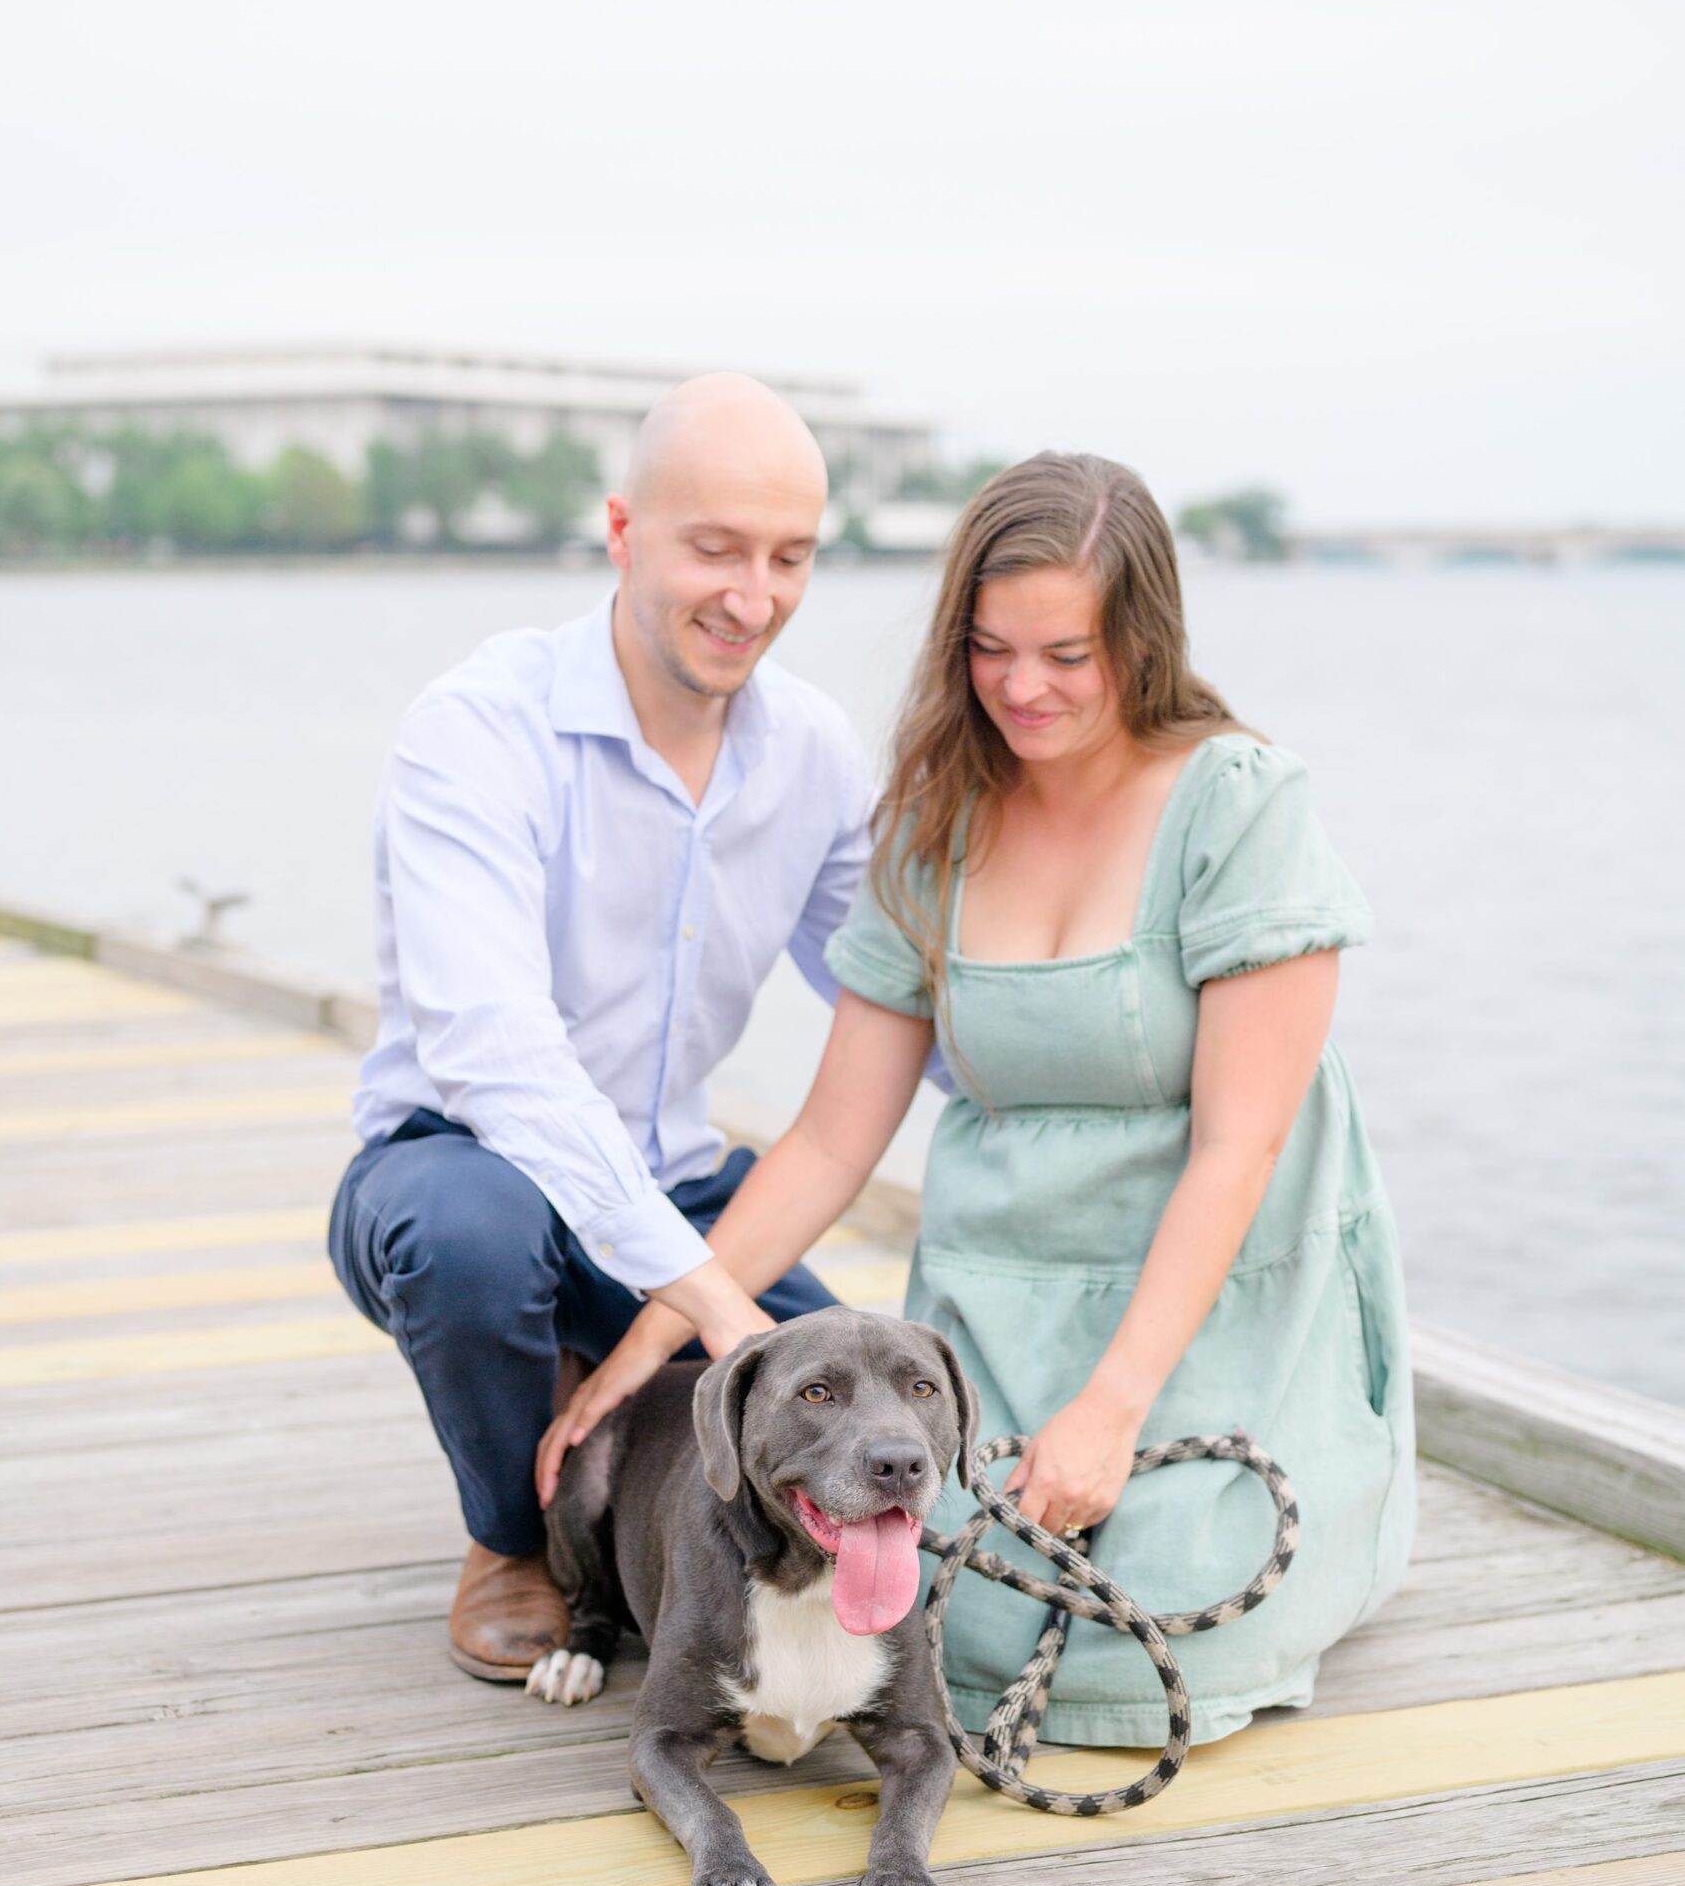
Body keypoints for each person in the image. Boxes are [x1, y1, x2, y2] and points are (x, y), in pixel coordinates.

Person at [551, 452, 1416, 1747]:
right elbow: (836, 1137)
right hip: (1001, 1294)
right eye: (992, 649)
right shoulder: (934, 820)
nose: (1024, 687)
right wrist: (644, 1352)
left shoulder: (1242, 807)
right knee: (919, 1605)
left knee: (1143, 1629)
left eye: (1067, 654)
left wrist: (1112, 1415)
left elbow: (1242, 1147)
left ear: (1143, 640)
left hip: (1213, 1288)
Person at [328, 374, 879, 1681]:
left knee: (863, 1406)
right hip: (459, 1163)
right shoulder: (478, 730)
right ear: (625, 531)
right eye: (716, 549)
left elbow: (895, 995)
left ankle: (610, 1404)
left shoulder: (813, 750)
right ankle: (512, 1538)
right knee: (474, 1246)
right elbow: (497, 1057)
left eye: (789, 557)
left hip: (678, 1190)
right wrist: (707, 1309)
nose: (754, 597)